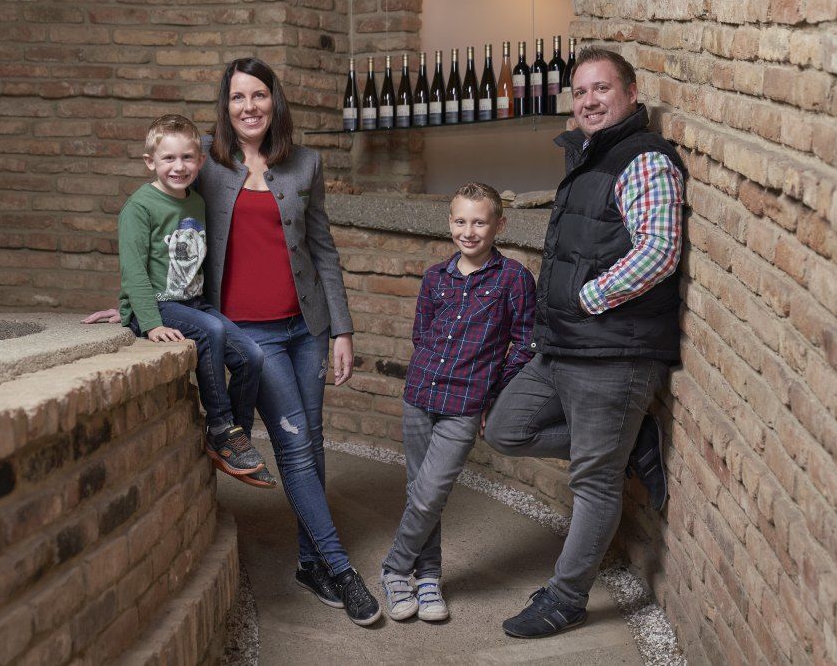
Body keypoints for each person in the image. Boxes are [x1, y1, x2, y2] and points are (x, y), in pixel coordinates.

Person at [87, 59, 382, 626]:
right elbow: (156, 218)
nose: (249, 106)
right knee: (295, 445)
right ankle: (343, 570)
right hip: (250, 331)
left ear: (275, 101)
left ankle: (310, 562)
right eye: (238, 97)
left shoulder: (305, 164)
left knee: (312, 444)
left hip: (307, 328)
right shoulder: (203, 159)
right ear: (224, 105)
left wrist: (342, 328)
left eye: (260, 95)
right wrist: (136, 306)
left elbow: (323, 250)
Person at [483, 47, 686, 638]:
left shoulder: (644, 160)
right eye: (580, 91)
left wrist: (587, 298)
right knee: (505, 428)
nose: (590, 100)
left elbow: (658, 250)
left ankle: (566, 598)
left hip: (614, 353)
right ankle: (631, 437)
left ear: (629, 93)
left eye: (602, 89)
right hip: (567, 346)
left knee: (594, 481)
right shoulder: (590, 157)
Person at [380, 183, 535, 623]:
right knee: (418, 491)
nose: (469, 231)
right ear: (450, 223)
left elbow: (525, 344)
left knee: (430, 494)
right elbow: (422, 334)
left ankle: (393, 568)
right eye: (461, 221)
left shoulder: (514, 280)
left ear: (498, 225)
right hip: (420, 395)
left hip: (464, 404)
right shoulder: (435, 277)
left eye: (480, 222)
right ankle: (427, 578)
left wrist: (494, 392)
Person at [113, 113, 275, 488]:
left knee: (253, 356)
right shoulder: (139, 207)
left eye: (187, 158)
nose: (179, 166)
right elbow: (134, 271)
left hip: (191, 303)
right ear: (150, 161)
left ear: (200, 161)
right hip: (159, 305)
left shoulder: (195, 203)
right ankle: (220, 426)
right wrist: (148, 321)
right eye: (168, 158)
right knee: (211, 332)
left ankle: (236, 437)